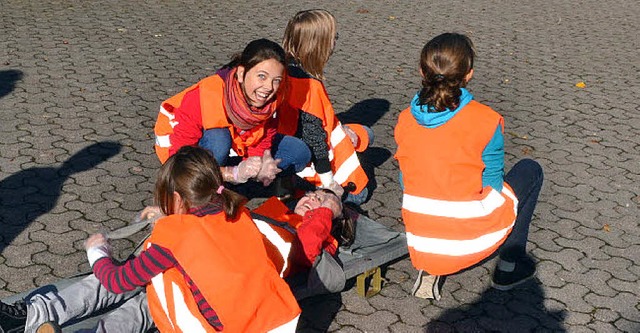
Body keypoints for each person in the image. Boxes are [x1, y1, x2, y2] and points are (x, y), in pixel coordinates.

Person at [0, 146, 301, 332]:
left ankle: (34, 314)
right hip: (277, 320)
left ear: (177, 200)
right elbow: (203, 236)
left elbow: (116, 282)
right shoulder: (237, 212)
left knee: (149, 287)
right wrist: (168, 215)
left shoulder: (175, 234)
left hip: (218, 327)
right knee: (156, 283)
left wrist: (98, 254)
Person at [394, 33, 544, 300]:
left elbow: (407, 182)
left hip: (422, 242)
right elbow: (493, 184)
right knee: (530, 170)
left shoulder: (405, 120)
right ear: (469, 74)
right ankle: (509, 266)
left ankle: (431, 269)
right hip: (469, 239)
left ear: (421, 71)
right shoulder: (486, 119)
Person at [154, 38, 311, 190]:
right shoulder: (205, 95)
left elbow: (264, 134)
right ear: (241, 74)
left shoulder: (271, 100)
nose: (269, 87)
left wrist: (262, 161)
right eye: (261, 76)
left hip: (236, 146)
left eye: (276, 80)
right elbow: (180, 161)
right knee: (219, 138)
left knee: (298, 151)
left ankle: (232, 186)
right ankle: (206, 188)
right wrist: (231, 173)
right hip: (182, 157)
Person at [279, 9, 373, 204]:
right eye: (333, 38)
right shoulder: (309, 85)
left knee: (365, 134)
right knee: (360, 194)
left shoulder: (282, 71)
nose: (334, 45)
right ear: (319, 45)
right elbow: (314, 138)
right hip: (309, 166)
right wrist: (329, 183)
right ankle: (312, 191)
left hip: (286, 149)